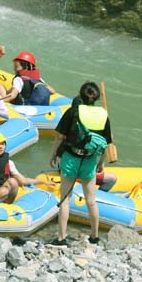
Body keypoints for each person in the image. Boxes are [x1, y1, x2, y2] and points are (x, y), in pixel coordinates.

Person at [48, 82, 112, 246]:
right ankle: (94, 236)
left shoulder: (73, 112)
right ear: (96, 98)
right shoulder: (102, 115)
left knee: (65, 199)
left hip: (71, 158)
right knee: (91, 200)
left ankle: (61, 238)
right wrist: (102, 163)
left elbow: (60, 137)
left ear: (81, 95)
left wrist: (53, 154)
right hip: (90, 160)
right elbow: (106, 143)